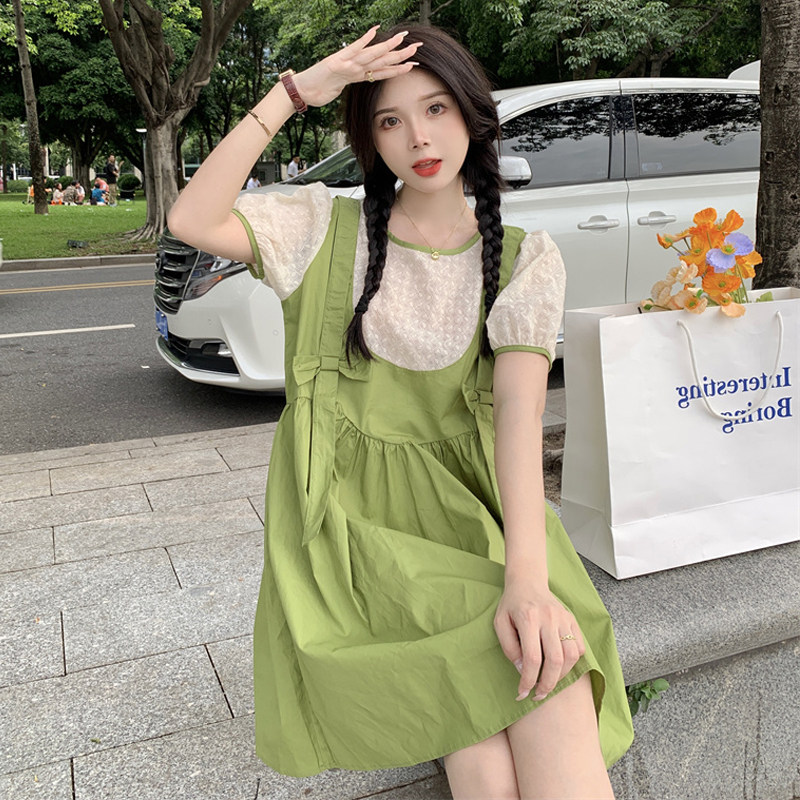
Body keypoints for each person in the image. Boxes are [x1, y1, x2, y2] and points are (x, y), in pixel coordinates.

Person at [167, 24, 633, 799]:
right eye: (390, 119)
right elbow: (192, 220)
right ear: (369, 138)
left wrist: (527, 578)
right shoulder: (322, 231)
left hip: (478, 524)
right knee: (503, 723)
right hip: (357, 540)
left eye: (437, 108)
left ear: (472, 113)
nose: (418, 137)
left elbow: (517, 422)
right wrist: (295, 93)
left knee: (538, 679)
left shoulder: (523, 257)